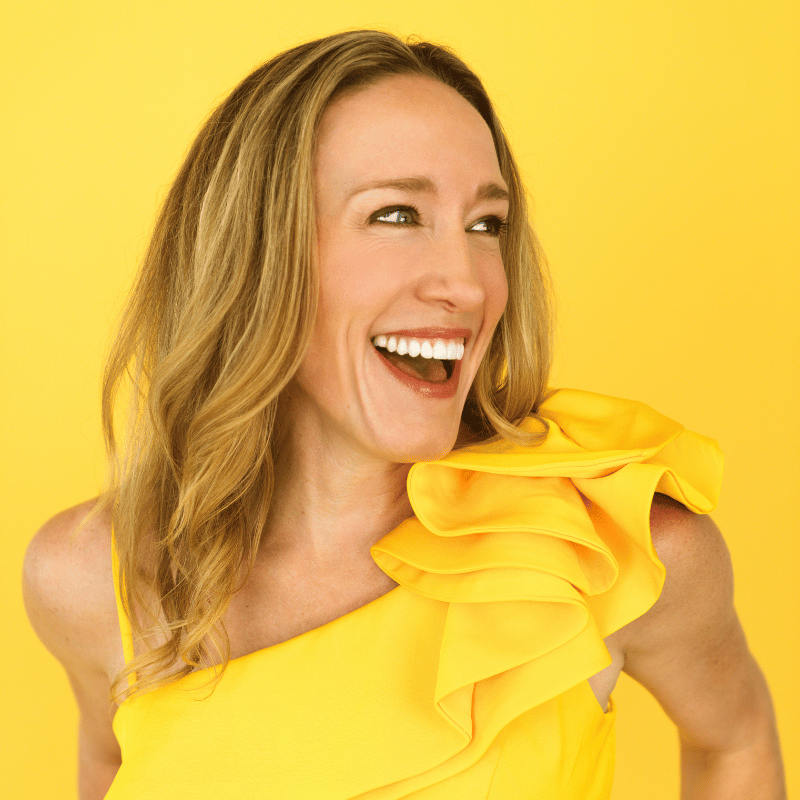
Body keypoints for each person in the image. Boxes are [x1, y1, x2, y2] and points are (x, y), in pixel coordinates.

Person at [22, 29, 785, 800]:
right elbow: (110, 767)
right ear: (255, 255)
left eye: (486, 225)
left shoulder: (613, 556)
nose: (467, 282)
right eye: (395, 215)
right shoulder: (89, 580)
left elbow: (736, 743)